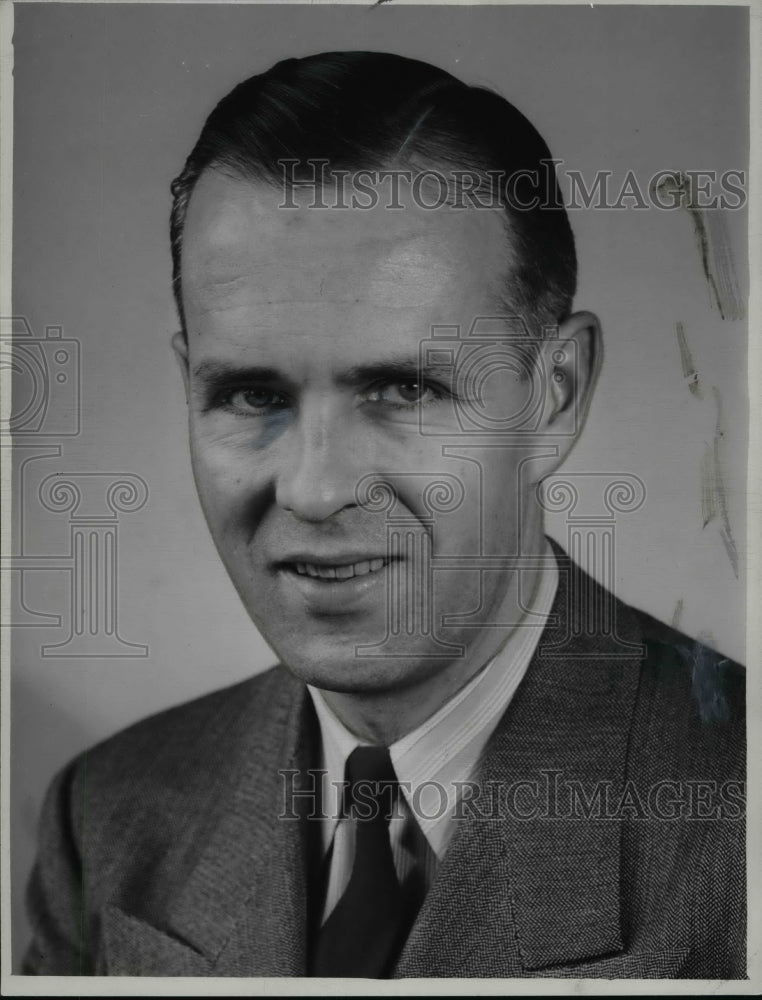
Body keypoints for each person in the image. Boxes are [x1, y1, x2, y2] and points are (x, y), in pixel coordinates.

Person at [23, 51, 745, 979]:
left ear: (553, 398)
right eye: (250, 395)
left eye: (402, 387)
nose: (316, 491)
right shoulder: (107, 818)